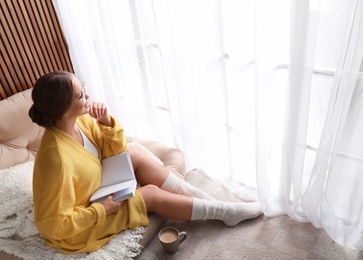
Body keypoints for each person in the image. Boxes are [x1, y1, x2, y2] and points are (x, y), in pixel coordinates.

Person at [29, 71, 263, 254]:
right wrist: (101, 209)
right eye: (81, 96)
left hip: (96, 188)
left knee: (133, 153)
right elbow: (52, 225)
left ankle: (212, 202)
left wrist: (105, 121)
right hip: (81, 225)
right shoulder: (56, 160)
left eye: (84, 89)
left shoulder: (80, 122)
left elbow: (117, 149)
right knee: (149, 193)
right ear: (62, 110)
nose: (88, 97)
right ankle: (223, 211)